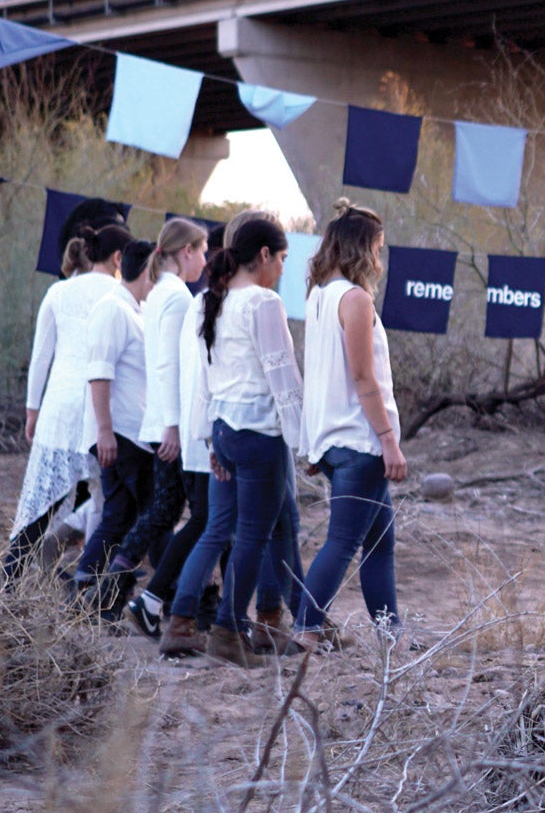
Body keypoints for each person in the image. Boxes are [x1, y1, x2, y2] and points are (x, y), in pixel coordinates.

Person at [170, 216, 305, 666]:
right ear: (264, 254)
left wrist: (208, 440)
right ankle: (228, 631)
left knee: (222, 528)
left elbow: (205, 378)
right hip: (256, 435)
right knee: (252, 536)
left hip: (224, 432)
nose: (284, 269)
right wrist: (303, 443)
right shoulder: (263, 303)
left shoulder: (216, 300)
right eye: (282, 258)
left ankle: (187, 621)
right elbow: (282, 375)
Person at [294, 200, 408, 653]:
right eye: (378, 248)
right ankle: (305, 627)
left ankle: (390, 636)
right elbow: (363, 377)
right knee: (342, 542)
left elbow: (321, 376)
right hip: (361, 443)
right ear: (363, 249)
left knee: (380, 543)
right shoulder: (354, 299)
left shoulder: (319, 296)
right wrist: (388, 442)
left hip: (335, 440)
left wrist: (313, 446)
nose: (380, 259)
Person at [4, 222, 137, 580]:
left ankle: (6, 582)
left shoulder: (58, 292)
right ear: (118, 257)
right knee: (106, 500)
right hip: (101, 409)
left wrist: (32, 411)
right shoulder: (124, 297)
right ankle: (90, 584)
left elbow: (40, 358)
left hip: (58, 410)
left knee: (41, 504)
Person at [117, 218, 211, 637]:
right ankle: (134, 589)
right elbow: (171, 365)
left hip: (160, 418)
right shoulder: (177, 298)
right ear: (186, 251)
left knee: (170, 512)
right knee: (195, 516)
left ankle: (149, 592)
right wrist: (174, 426)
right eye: (203, 251)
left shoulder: (161, 293)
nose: (206, 261)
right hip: (171, 422)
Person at [72, 238, 160, 616]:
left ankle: (92, 593)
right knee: (153, 515)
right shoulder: (112, 310)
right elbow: (99, 373)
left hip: (129, 433)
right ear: (149, 272)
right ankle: (171, 600)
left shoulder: (133, 310)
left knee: (121, 516)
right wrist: (104, 432)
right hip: (118, 434)